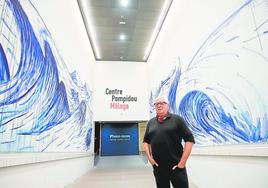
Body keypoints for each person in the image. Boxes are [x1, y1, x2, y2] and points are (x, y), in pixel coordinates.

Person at [143, 96, 195, 188]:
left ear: (168, 105)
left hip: (176, 167)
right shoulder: (151, 123)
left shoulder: (177, 120)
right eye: (156, 104)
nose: (159, 105)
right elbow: (146, 141)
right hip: (158, 168)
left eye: (162, 103)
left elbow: (189, 139)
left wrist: (182, 163)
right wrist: (150, 159)